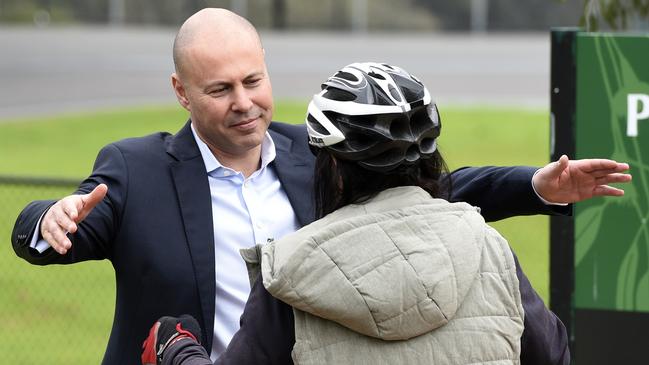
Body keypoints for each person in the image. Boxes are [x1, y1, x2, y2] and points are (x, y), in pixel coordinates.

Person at [11, 9, 629, 365]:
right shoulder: (134, 169)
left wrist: (536, 186)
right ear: (181, 92)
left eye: (253, 80)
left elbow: (426, 189)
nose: (245, 104)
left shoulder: (322, 153)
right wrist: (49, 218)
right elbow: (55, 231)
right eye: (220, 90)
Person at [143, 62, 572, 365]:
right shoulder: (488, 248)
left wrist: (176, 347)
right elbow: (552, 354)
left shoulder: (288, 274)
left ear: (332, 167)